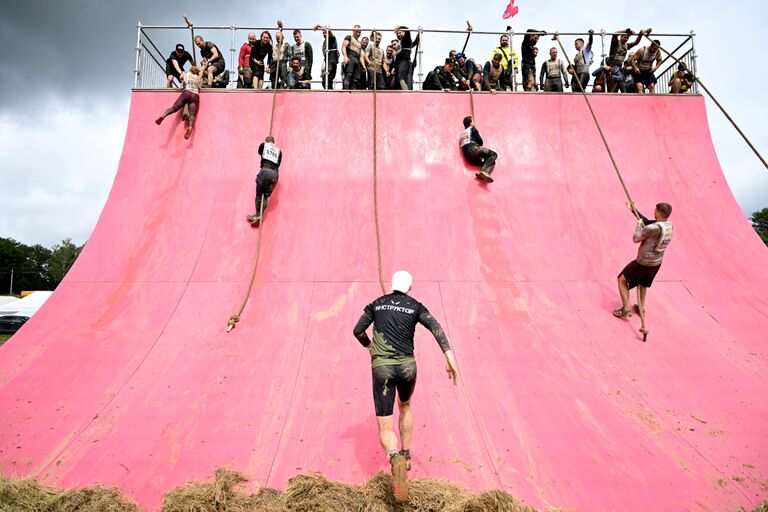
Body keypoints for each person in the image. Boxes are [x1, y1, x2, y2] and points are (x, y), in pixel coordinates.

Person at [353, 270, 459, 503]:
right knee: (406, 404)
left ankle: (394, 456)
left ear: (391, 285)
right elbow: (435, 327)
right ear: (410, 287)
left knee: (385, 425)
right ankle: (407, 454)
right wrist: (449, 355)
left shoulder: (376, 304)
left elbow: (357, 331)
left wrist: (370, 346)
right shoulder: (415, 305)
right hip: (407, 367)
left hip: (383, 368)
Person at [613, 202, 674, 340]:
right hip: (656, 264)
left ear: (658, 213)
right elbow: (647, 222)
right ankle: (641, 309)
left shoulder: (653, 229)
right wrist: (633, 210)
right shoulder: (667, 225)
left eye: (655, 210)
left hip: (643, 263)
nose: (654, 212)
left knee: (622, 279)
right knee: (643, 284)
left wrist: (637, 225)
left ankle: (626, 309)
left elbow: (636, 238)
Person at [155, 66, 201, 140]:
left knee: (174, 108)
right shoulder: (198, 77)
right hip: (195, 95)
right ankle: (190, 127)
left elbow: (181, 78)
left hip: (187, 92)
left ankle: (163, 115)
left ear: (190, 69)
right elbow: (200, 85)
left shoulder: (186, 73)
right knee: (192, 114)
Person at [247, 136, 283, 225]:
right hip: (274, 175)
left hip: (265, 172)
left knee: (259, 195)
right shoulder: (279, 151)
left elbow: (259, 151)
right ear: (274, 142)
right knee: (265, 196)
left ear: (266, 141)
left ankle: (258, 215)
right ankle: (260, 215)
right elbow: (278, 163)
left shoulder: (264, 145)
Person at [607, 28, 647, 92]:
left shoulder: (626, 45)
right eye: (625, 37)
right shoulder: (616, 42)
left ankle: (623, 95)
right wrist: (625, 31)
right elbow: (614, 34)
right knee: (616, 81)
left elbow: (636, 42)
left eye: (627, 38)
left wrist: (640, 35)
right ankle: (611, 94)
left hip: (619, 68)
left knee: (622, 84)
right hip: (612, 66)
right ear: (621, 36)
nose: (626, 39)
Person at [460, 116, 498, 182]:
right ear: (471, 123)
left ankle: (482, 173)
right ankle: (483, 171)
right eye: (473, 121)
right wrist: (476, 131)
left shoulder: (462, 135)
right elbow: (480, 142)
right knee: (494, 155)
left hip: (470, 159)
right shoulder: (472, 129)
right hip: (475, 151)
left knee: (492, 162)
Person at [313, 24, 338, 89]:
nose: (324, 34)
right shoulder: (325, 41)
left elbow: (329, 31)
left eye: (325, 32)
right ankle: (330, 94)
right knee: (325, 80)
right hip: (327, 61)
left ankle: (330, 95)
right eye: (323, 33)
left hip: (331, 62)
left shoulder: (332, 39)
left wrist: (319, 26)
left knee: (327, 79)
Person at [342, 25, 364, 90]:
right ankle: (346, 91)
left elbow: (360, 55)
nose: (358, 34)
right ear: (353, 31)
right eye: (357, 32)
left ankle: (354, 93)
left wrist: (363, 65)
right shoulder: (349, 37)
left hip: (357, 59)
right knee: (349, 75)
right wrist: (345, 57)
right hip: (350, 56)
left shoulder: (359, 43)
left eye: (360, 32)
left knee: (356, 79)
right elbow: (343, 47)